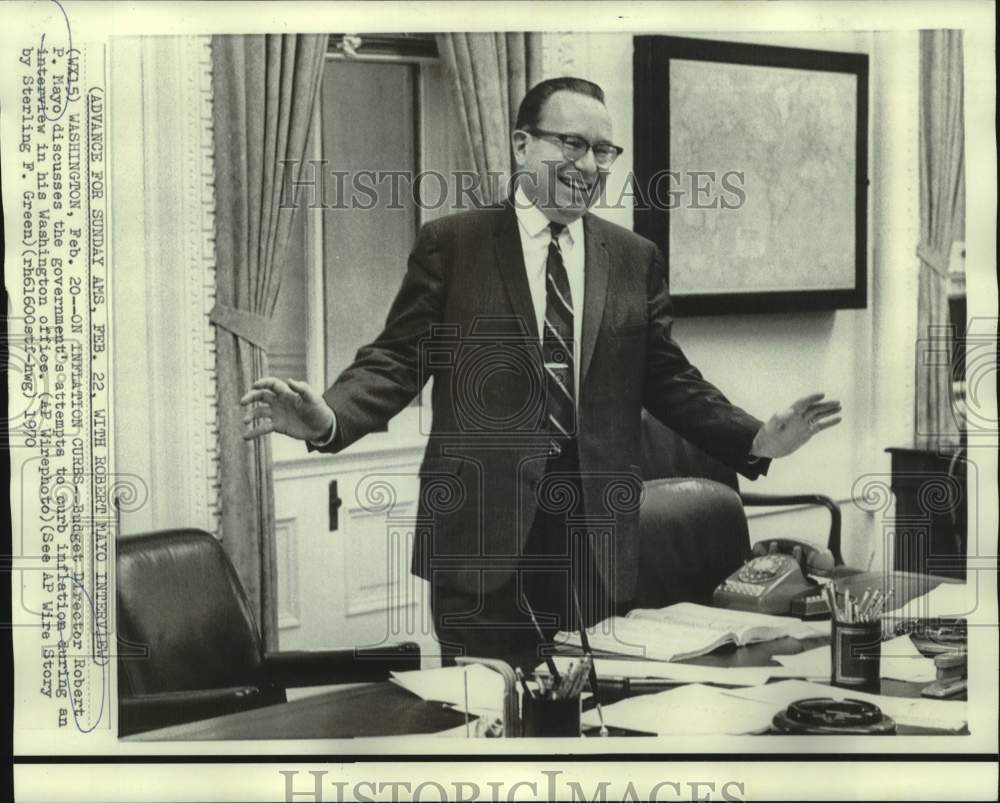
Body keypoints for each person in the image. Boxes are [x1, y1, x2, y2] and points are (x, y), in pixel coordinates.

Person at [241, 76, 841, 669]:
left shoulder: (633, 258)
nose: (589, 164)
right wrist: (329, 417)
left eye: (603, 150)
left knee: (598, 708)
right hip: (481, 540)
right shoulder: (454, 245)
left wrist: (756, 438)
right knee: (486, 715)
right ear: (522, 145)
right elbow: (398, 357)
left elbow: (670, 378)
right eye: (572, 144)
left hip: (594, 544)